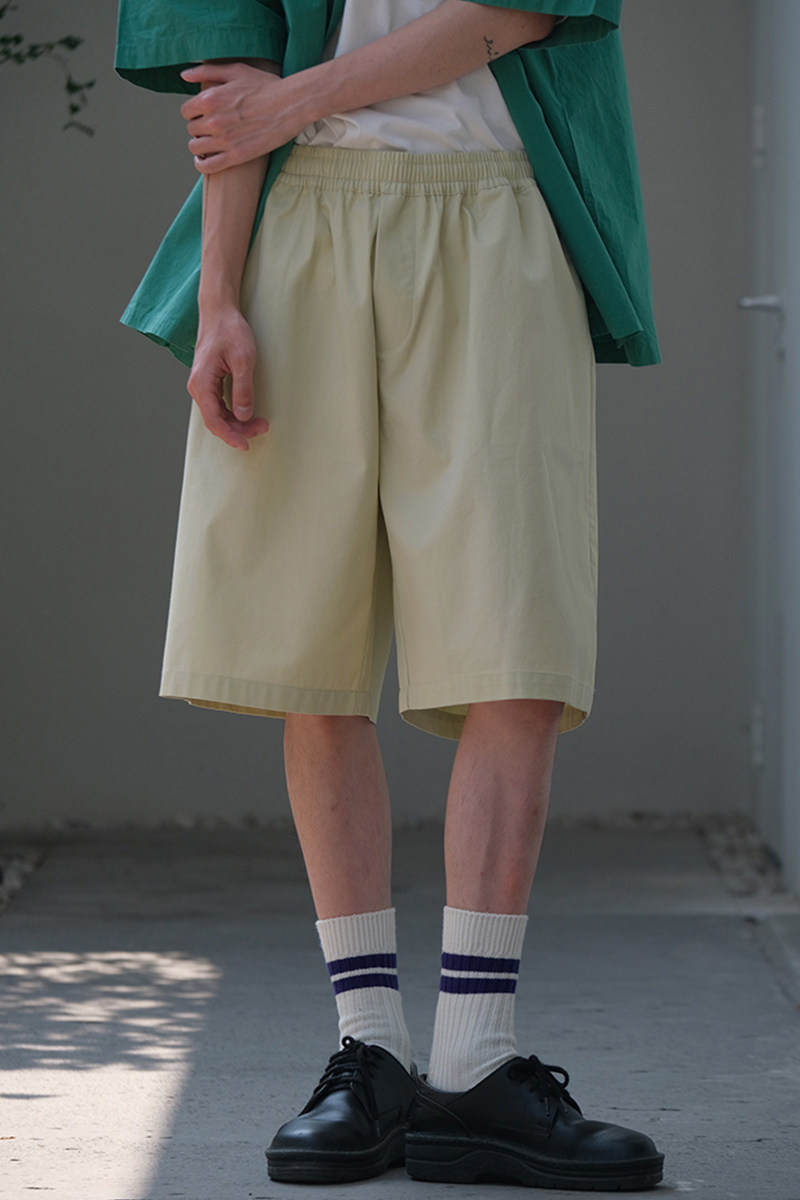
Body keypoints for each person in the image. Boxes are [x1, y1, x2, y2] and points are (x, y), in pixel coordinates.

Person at [116, 0, 664, 1189]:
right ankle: (367, 1050)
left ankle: (474, 1062)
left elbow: (517, 10)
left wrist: (292, 102)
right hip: (297, 221)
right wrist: (219, 298)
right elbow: (228, 74)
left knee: (515, 643)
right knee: (306, 651)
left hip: (500, 207)